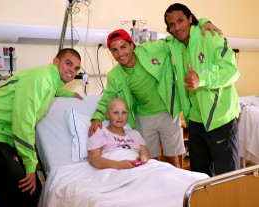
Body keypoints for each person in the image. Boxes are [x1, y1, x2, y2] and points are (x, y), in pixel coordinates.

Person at [88, 21, 222, 168]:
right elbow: (108, 97)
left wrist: (202, 23)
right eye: (114, 50)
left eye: (123, 47)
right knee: (151, 162)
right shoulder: (115, 75)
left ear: (132, 45)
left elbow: (175, 37)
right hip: (143, 118)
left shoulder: (151, 50)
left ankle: (180, 187)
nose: (120, 54)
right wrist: (97, 117)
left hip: (168, 112)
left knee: (175, 160)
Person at [0, 48, 83, 207]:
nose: (72, 70)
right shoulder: (40, 79)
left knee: (28, 189)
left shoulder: (50, 81)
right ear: (55, 61)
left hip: (3, 136)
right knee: (25, 191)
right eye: (68, 63)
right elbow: (23, 121)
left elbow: (52, 90)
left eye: (76, 68)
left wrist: (69, 94)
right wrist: (29, 162)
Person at [164, 3, 240, 176]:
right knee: (201, 179)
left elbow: (232, 72)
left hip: (221, 120)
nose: (177, 27)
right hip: (196, 122)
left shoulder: (211, 37)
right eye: (171, 24)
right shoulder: (174, 45)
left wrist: (202, 80)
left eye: (180, 21)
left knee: (227, 179)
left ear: (190, 19)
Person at [88, 98, 151, 169]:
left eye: (123, 113)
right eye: (116, 113)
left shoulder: (135, 134)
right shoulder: (100, 132)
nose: (120, 117)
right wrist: (118, 165)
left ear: (127, 115)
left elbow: (146, 155)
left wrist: (142, 158)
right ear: (108, 115)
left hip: (137, 167)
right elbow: (94, 159)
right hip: (114, 168)